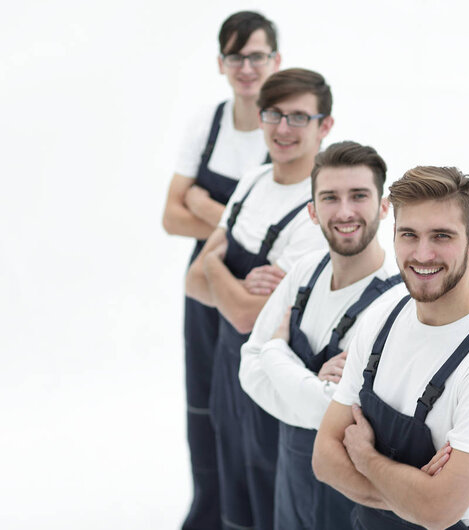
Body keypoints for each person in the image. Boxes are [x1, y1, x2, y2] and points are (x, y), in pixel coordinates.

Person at [313, 166, 469, 530]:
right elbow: (325, 459)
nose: (423, 253)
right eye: (409, 235)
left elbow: (438, 512)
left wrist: (366, 458)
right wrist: (415, 493)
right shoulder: (383, 316)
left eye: (442, 236)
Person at [186, 68, 333, 530]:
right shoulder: (252, 181)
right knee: (232, 490)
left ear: (324, 125)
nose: (283, 129)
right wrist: (215, 268)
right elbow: (193, 282)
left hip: (276, 382)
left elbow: (250, 316)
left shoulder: (322, 208)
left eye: (298, 117)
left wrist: (218, 263)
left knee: (276, 501)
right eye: (273, 114)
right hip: (230, 374)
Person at [238, 141, 406, 529]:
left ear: (384, 207)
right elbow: (249, 368)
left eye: (359, 196)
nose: (344, 211)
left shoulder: (397, 303)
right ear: (313, 212)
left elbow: (338, 415)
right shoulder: (304, 272)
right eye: (330, 198)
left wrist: (277, 354)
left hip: (351, 499)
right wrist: (314, 390)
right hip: (291, 484)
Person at [161, 11, 280, 529]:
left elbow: (279, 226)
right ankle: (208, 513)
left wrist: (207, 206)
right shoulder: (206, 124)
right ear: (220, 63)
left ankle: (250, 517)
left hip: (259, 287)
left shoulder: (283, 132)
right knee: (203, 406)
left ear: (275, 61)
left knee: (251, 408)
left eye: (256, 56)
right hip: (202, 282)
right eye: (236, 56)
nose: (246, 67)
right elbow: (169, 216)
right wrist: (238, 219)